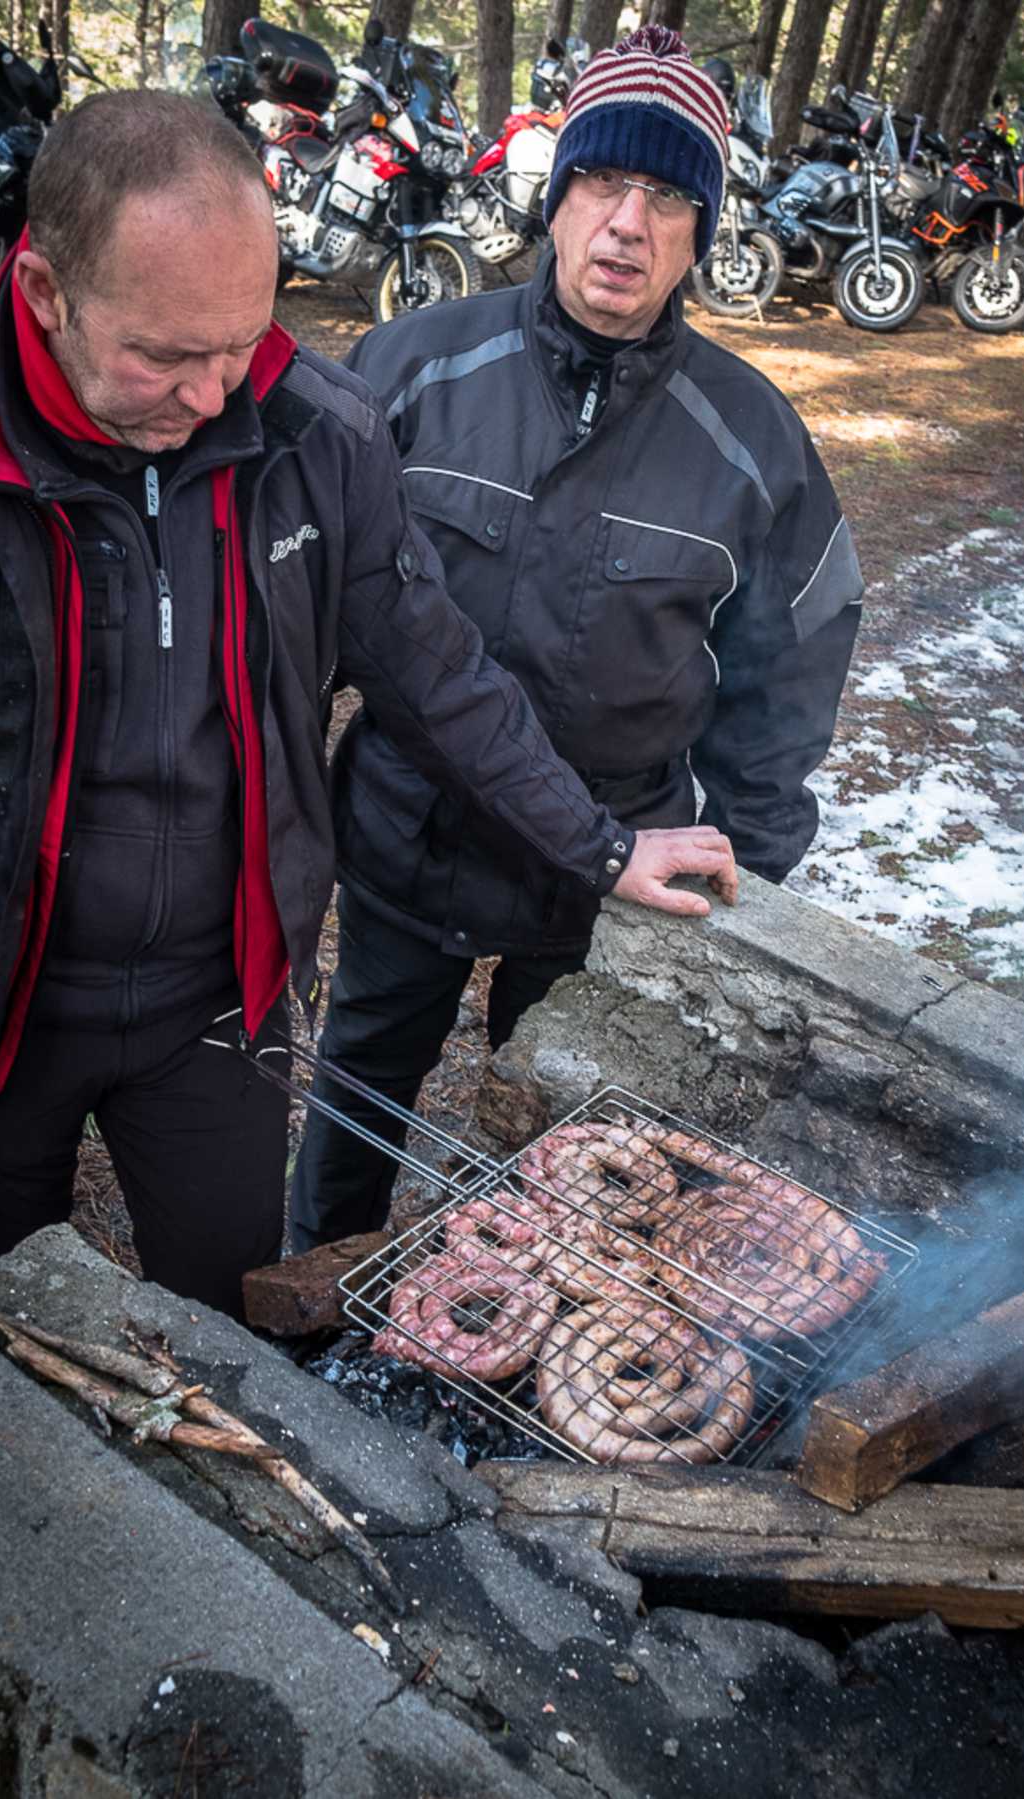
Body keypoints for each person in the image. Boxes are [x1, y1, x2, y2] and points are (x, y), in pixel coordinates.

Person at [0, 89, 737, 1318]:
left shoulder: (314, 428)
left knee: (234, 1321)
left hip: (215, 999)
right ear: (44, 292)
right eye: (163, 356)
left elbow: (438, 675)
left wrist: (604, 845)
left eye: (240, 342)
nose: (212, 396)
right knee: (1, 1328)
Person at [290, 25, 864, 1253]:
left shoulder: (754, 440)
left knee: (570, 1154)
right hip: (408, 837)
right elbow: (299, 613)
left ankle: (518, 1315)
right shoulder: (411, 369)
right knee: (357, 1104)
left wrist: (743, 877)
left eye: (669, 197)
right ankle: (306, 1316)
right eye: (601, 181)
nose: (626, 225)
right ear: (554, 201)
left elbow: (792, 674)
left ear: (703, 234)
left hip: (617, 873)